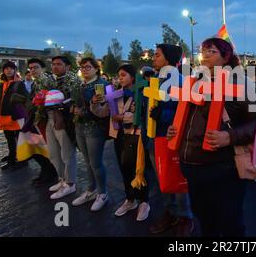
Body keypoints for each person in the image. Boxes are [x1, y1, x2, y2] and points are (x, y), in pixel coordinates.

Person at [167, 37, 256, 236]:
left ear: (226, 56)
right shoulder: (193, 82)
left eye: (212, 51)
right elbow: (187, 117)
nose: (205, 55)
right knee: (204, 220)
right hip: (192, 167)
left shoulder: (244, 84)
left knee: (229, 224)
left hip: (224, 170)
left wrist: (230, 137)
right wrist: (175, 131)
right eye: (203, 51)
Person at [146, 44, 195, 236]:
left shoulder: (181, 82)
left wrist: (163, 115)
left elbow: (185, 110)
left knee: (178, 179)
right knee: (163, 180)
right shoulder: (154, 81)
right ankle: (170, 212)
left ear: (168, 58)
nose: (153, 58)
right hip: (152, 137)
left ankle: (185, 216)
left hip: (171, 137)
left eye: (157, 55)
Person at [91, 64, 150, 220]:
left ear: (133, 76)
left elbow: (144, 115)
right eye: (118, 76)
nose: (120, 78)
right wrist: (95, 102)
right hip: (119, 136)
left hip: (136, 136)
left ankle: (144, 202)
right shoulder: (114, 95)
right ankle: (130, 199)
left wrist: (123, 118)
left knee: (139, 169)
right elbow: (102, 113)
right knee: (124, 169)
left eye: (123, 75)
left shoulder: (142, 93)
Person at [71, 58, 110, 211]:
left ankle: (102, 193)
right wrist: (73, 109)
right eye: (82, 67)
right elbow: (74, 103)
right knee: (87, 162)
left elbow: (101, 110)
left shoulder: (100, 85)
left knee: (96, 163)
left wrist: (84, 111)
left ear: (96, 69)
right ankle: (91, 190)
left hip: (94, 128)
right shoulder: (81, 85)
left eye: (88, 67)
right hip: (79, 126)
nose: (85, 69)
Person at [46, 56, 81, 200]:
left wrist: (62, 104)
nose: (55, 67)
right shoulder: (50, 81)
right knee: (53, 153)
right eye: (53, 64)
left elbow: (75, 100)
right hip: (49, 118)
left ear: (67, 67)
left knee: (67, 153)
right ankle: (62, 179)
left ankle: (70, 183)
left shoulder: (73, 81)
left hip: (63, 119)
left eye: (59, 64)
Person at [26, 58, 58, 186]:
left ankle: (51, 173)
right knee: (39, 148)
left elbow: (53, 99)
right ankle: (46, 171)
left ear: (43, 68)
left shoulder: (48, 81)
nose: (33, 70)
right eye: (31, 68)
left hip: (47, 120)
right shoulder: (35, 83)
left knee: (47, 148)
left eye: (35, 67)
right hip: (37, 120)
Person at [0, 61, 29, 170]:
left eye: (11, 68)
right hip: (4, 116)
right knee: (9, 139)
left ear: (14, 70)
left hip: (16, 116)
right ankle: (12, 158)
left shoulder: (19, 84)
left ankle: (23, 160)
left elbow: (25, 99)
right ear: (3, 71)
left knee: (20, 139)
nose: (9, 70)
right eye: (6, 68)